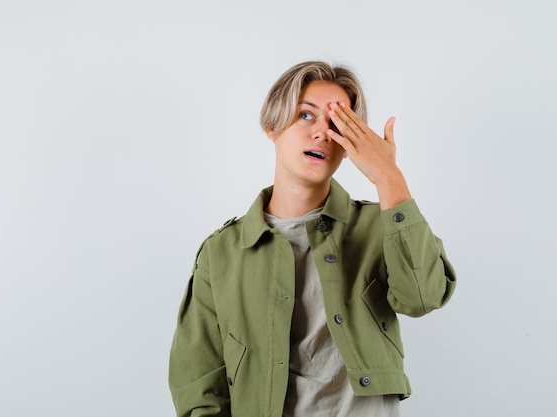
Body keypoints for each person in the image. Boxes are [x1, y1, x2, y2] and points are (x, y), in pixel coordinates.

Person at [168, 60, 456, 417]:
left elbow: (423, 298)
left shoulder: (382, 226)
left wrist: (388, 176)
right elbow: (198, 386)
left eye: (337, 123)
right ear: (273, 126)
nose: (322, 132)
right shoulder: (222, 252)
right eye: (307, 115)